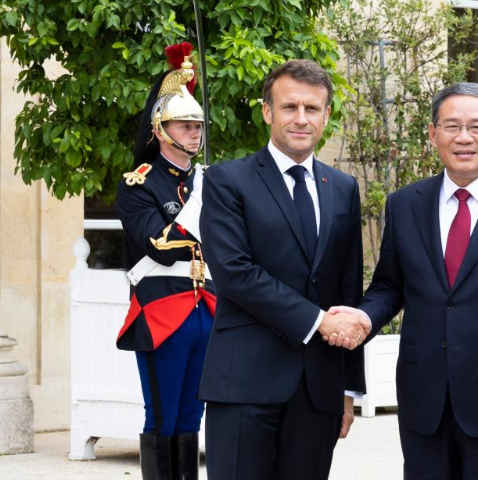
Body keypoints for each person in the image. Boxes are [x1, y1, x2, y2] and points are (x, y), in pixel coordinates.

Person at [329, 82, 478, 479]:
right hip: (423, 398)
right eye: (451, 126)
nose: (463, 137)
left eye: (476, 127)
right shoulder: (406, 204)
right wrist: (363, 319)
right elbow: (390, 286)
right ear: (432, 134)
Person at [197, 59, 370, 480]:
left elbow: (347, 286)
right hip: (245, 383)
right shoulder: (226, 181)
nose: (301, 118)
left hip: (318, 389)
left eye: (312, 109)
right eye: (289, 106)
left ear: (326, 116)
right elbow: (235, 273)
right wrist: (318, 322)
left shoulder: (342, 188)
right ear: (267, 112)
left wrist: (348, 388)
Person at [115, 42, 215, 480]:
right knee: (162, 417)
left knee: (193, 419)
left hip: (207, 309)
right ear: (160, 129)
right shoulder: (138, 184)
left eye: (198, 124)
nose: (195, 132)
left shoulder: (210, 180)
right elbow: (159, 241)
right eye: (185, 124)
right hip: (161, 311)